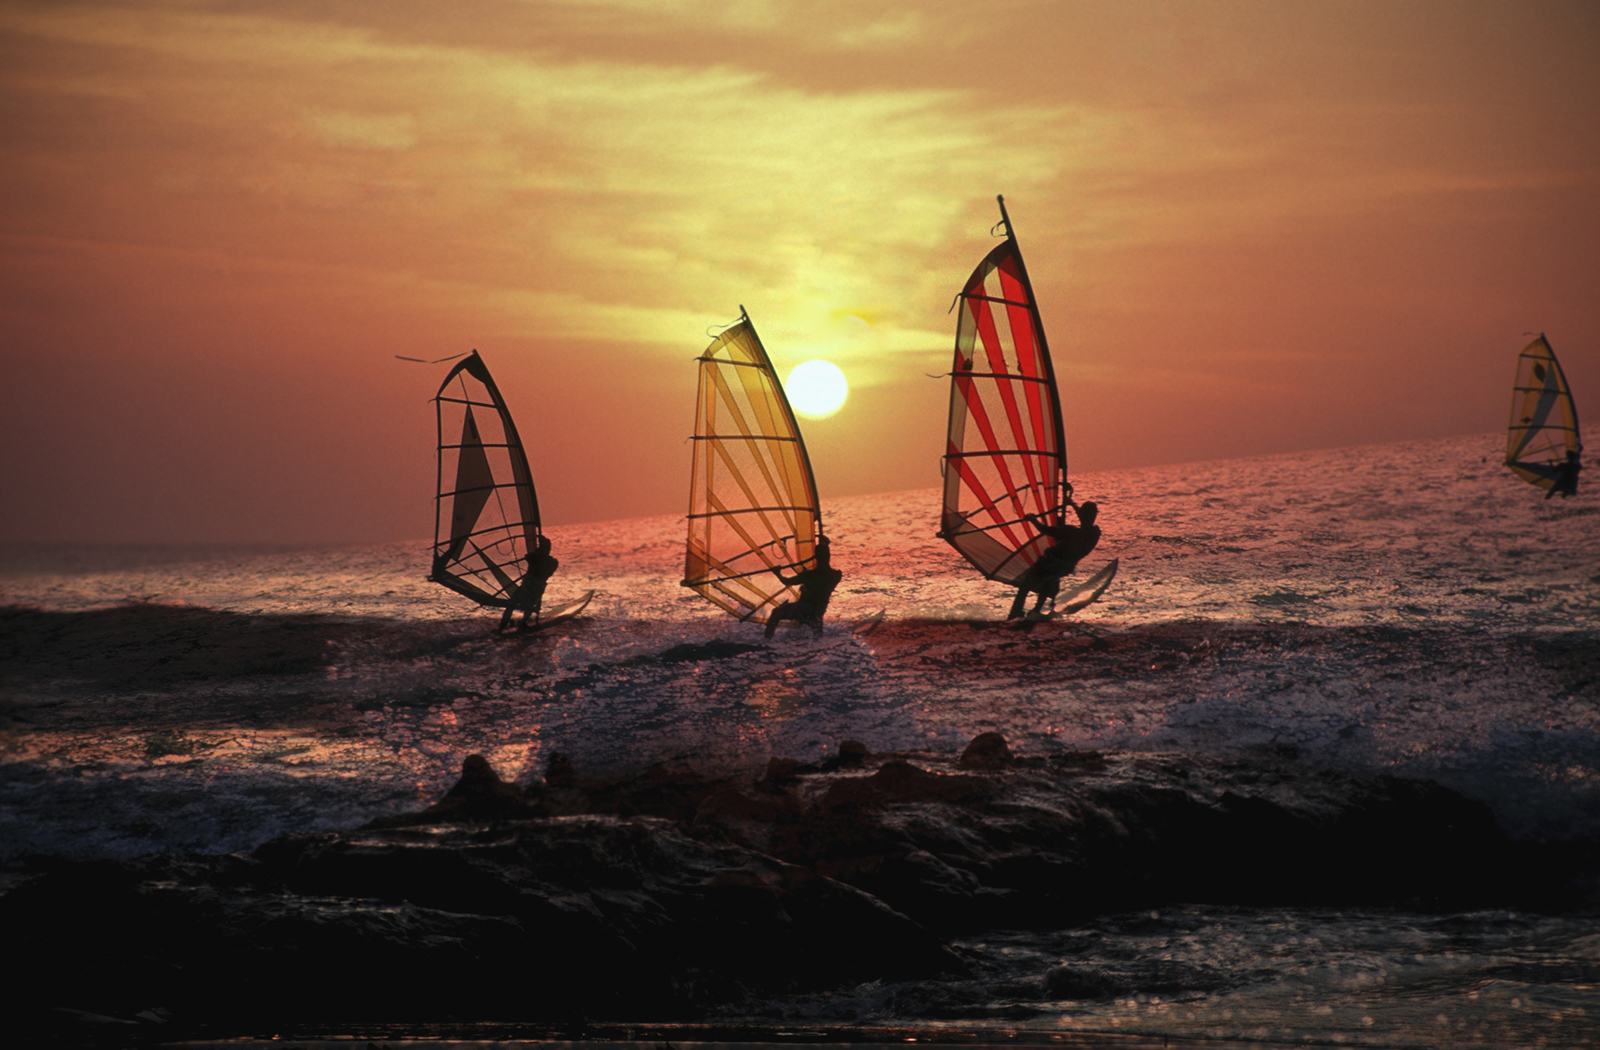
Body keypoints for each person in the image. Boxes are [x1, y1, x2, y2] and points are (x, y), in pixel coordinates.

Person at [1008, 501, 1100, 620]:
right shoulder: (1095, 533)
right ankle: (1037, 610)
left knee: (1025, 587)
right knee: (1050, 579)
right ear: (1094, 516)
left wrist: (1033, 519)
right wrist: (1072, 503)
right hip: (1065, 568)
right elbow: (1086, 520)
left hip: (1049, 563)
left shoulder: (1070, 531)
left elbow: (1044, 529)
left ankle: (1015, 614)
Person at [764, 535, 843, 638]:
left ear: (816, 557)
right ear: (829, 556)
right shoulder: (836, 575)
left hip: (803, 610)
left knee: (776, 612)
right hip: (818, 612)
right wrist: (825, 544)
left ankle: (767, 640)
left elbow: (786, 581)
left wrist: (777, 573)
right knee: (814, 622)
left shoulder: (808, 575)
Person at [499, 535, 558, 632]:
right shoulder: (548, 560)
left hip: (531, 589)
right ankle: (508, 625)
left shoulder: (541, 559)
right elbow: (529, 557)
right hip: (531, 588)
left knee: (520, 606)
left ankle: (516, 624)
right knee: (517, 606)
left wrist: (538, 552)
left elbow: (529, 557)